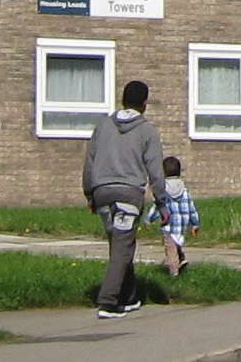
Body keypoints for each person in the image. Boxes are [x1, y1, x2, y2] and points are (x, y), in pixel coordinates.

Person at [83, 78, 167, 319]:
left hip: (102, 192)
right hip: (128, 194)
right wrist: (162, 202)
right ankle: (108, 302)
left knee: (120, 244)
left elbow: (89, 161)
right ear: (144, 104)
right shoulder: (147, 131)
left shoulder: (103, 126)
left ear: (122, 100)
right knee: (122, 246)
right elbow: (155, 170)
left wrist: (90, 193)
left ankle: (128, 297)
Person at [158, 154, 199, 278]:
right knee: (176, 243)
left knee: (170, 250)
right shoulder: (184, 190)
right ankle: (181, 259)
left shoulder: (163, 190)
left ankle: (174, 272)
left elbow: (158, 206)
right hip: (182, 225)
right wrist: (195, 223)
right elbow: (191, 207)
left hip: (168, 226)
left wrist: (149, 219)